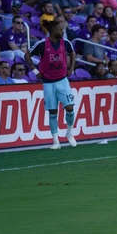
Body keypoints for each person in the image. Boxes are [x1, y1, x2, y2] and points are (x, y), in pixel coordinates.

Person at [26, 20, 77, 150]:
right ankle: (55, 141)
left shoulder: (65, 43)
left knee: (70, 107)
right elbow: (27, 55)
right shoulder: (42, 44)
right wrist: (35, 70)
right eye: (60, 29)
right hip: (48, 82)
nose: (62, 31)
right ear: (53, 30)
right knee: (53, 111)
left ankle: (69, 133)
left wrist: (71, 68)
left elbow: (72, 53)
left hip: (62, 80)